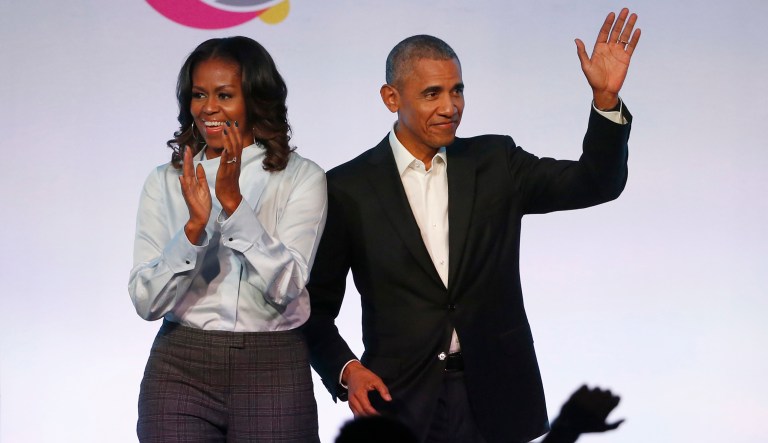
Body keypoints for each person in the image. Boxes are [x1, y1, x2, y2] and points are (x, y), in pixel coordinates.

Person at [302, 8, 640, 443]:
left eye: (457, 90)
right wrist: (347, 371)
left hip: (496, 395)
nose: (450, 107)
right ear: (391, 97)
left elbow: (596, 183)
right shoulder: (346, 187)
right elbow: (312, 307)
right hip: (401, 402)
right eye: (432, 94)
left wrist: (606, 103)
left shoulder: (495, 162)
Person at [128, 36, 326, 442]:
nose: (209, 108)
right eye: (199, 95)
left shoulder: (301, 177)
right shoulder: (165, 181)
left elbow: (288, 285)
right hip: (180, 365)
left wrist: (234, 206)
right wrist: (192, 231)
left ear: (255, 99)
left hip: (272, 364)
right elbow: (147, 302)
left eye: (225, 94)